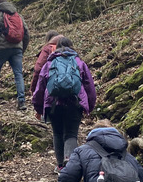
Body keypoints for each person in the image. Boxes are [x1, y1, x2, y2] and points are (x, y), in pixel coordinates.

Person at [32, 36, 96, 172]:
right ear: (72, 47)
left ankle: (60, 165)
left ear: (57, 48)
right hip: (75, 103)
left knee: (57, 133)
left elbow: (40, 88)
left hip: (53, 104)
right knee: (71, 134)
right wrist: (89, 105)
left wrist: (39, 108)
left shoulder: (49, 64)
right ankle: (70, 161)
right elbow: (89, 86)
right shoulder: (79, 62)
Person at [0, 0, 30, 110]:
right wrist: (21, 48)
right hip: (17, 48)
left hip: (1, 49)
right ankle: (22, 102)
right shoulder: (17, 14)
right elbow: (26, 33)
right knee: (18, 74)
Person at [30, 31, 62, 95]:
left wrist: (33, 88)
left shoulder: (47, 49)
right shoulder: (69, 49)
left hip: (51, 87)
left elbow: (38, 69)